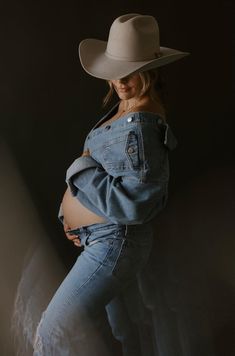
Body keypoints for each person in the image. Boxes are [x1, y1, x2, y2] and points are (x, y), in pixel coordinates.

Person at [33, 13, 190, 356]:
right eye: (115, 69)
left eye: (131, 70)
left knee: (53, 333)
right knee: (118, 337)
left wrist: (80, 168)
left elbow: (136, 204)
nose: (121, 80)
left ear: (151, 69)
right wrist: (71, 218)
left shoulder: (143, 126)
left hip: (115, 243)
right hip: (100, 240)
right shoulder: (124, 108)